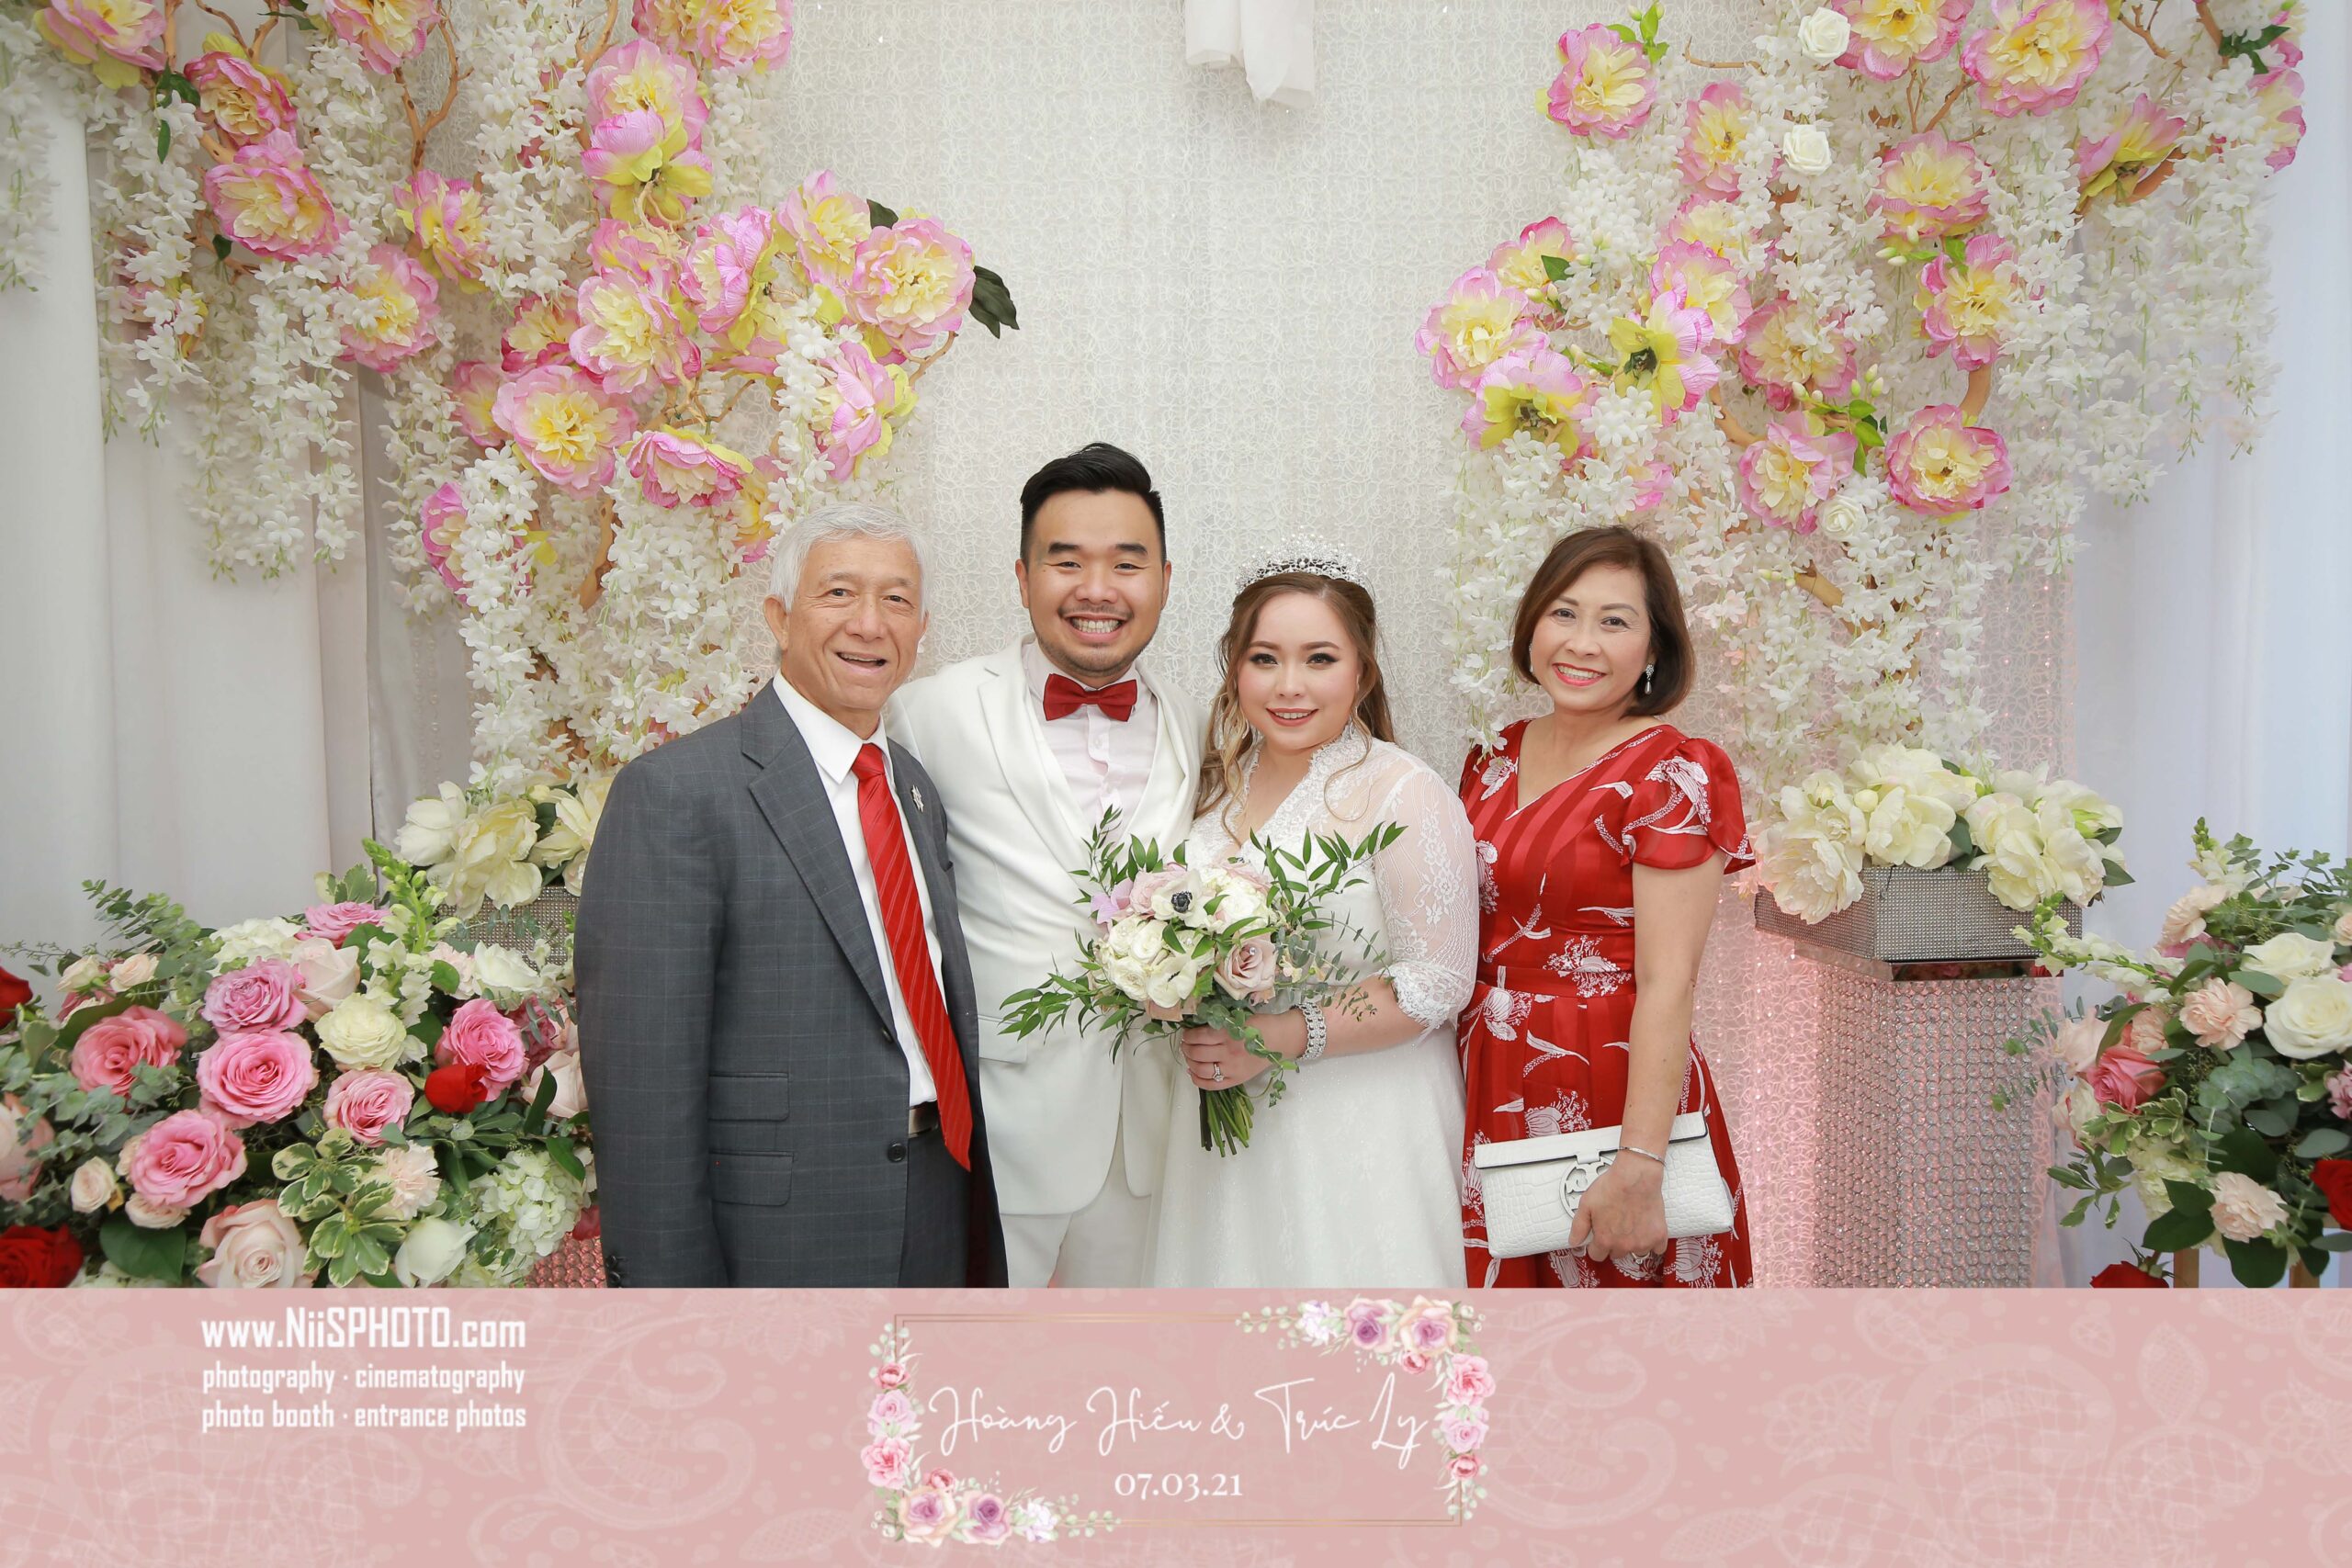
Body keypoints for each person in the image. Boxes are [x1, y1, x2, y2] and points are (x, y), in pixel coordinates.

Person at [575, 502, 1007, 1287]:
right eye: (838, 593)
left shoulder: (913, 786)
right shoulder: (676, 792)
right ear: (778, 617)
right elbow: (643, 1081)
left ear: (922, 629)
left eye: (897, 599)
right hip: (779, 1229)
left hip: (941, 1190)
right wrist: (672, 1302)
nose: (870, 623)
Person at [888, 444, 1203, 1288]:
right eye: (1067, 562)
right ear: (1023, 578)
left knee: (1122, 1356)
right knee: (979, 1354)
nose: (1098, 589)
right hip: (997, 1125)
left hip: (1154, 1132)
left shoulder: (1203, 722)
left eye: (1127, 564)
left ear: (1165, 580)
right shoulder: (928, 711)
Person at [1146, 556, 1475, 1288]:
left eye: (1319, 658)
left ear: (1362, 672)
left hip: (1364, 1125)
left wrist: (1280, 1037)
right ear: (1235, 668)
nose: (1288, 685)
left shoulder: (1402, 791)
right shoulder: (1210, 786)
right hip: (1224, 1130)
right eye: (1264, 658)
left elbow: (1438, 980)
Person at [1455, 525, 1753, 1289]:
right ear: (1532, 626)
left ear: (1654, 648)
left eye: (1614, 621)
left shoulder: (1673, 773)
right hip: (1484, 1068)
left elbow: (1669, 981)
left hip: (1605, 1078)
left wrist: (1640, 1162)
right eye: (1564, 612)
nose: (1581, 642)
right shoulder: (1492, 755)